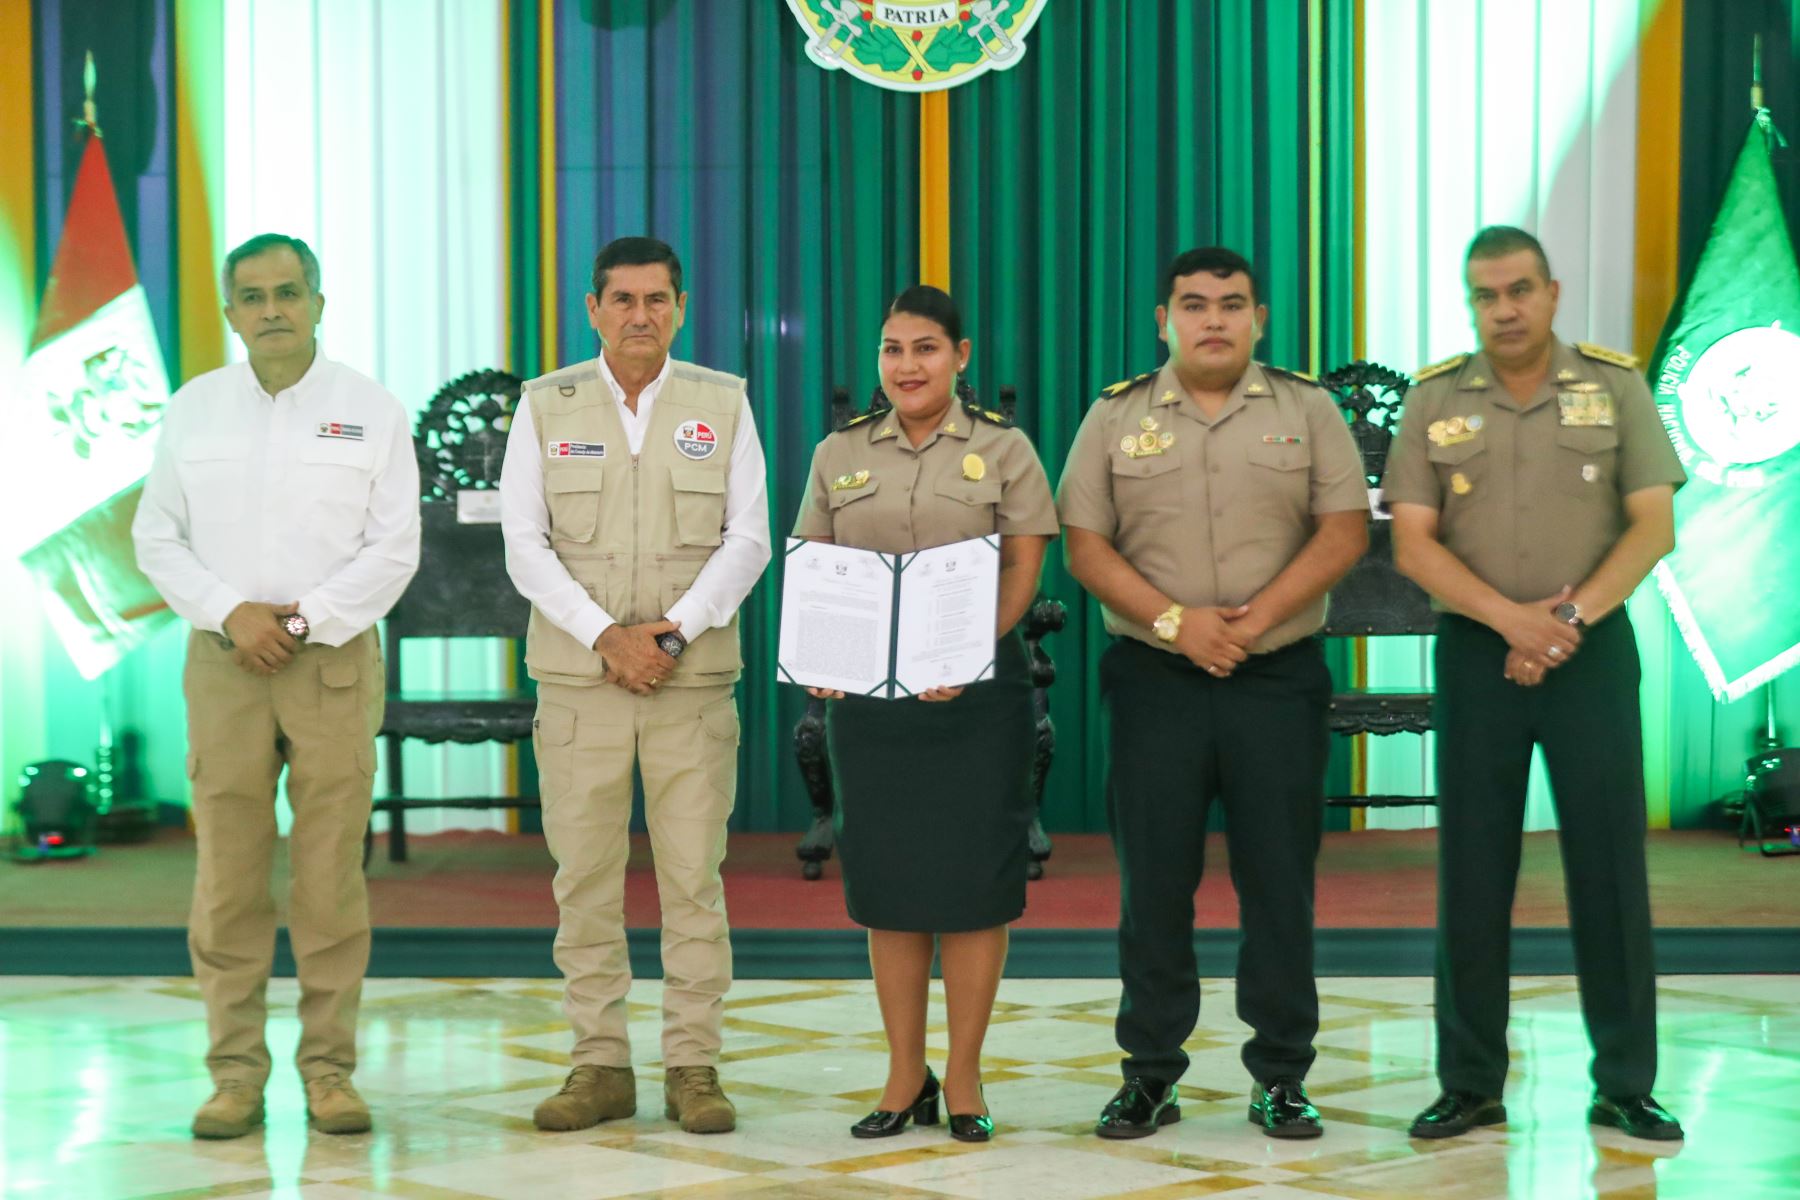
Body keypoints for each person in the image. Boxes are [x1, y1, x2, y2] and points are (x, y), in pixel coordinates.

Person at [1057, 247, 1369, 1140]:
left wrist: (1249, 622)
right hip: (1156, 680)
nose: (1214, 320)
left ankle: (1282, 1076)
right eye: (1194, 305)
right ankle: (1150, 1074)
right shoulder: (1115, 415)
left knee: (1279, 883)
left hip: (1277, 678)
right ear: (1164, 320)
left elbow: (1345, 531)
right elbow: (1085, 545)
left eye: (1232, 304)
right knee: (1155, 886)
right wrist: (1176, 625)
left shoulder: (1307, 409)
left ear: (1259, 318)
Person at [1384, 225, 1685, 1142]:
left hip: (1590, 652)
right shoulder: (1435, 397)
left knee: (1608, 868)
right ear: (1470, 304)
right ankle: (1469, 1082)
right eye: (1486, 295)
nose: (1504, 310)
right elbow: (1413, 544)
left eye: (1520, 290)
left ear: (1552, 292)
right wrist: (1513, 623)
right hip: (1479, 653)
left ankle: (1625, 1082)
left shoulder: (1616, 386)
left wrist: (1562, 624)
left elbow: (1653, 527)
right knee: (1473, 870)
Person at [133, 233, 421, 1139]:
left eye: (288, 292)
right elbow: (156, 537)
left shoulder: (371, 410)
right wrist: (233, 614)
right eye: (252, 297)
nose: (271, 310)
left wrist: (300, 622)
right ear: (231, 313)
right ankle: (234, 1077)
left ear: (318, 303)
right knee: (228, 877)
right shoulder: (194, 409)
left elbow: (395, 549)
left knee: (329, 878)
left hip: (329, 662)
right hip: (226, 662)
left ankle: (329, 1074)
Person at [500, 236, 771, 1135]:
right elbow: (523, 544)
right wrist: (607, 638)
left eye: (657, 299)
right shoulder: (545, 404)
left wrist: (672, 633)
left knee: (694, 880)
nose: (640, 316)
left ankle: (693, 1066)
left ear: (680, 308)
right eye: (622, 299)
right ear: (593, 309)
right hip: (581, 684)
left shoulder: (722, 402)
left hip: (689, 684)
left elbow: (749, 538)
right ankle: (599, 1066)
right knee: (585, 880)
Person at [792, 285, 1058, 1143]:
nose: (907, 366)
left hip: (978, 697)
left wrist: (963, 653)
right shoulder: (838, 452)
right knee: (890, 888)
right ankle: (906, 1075)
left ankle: (967, 1078)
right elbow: (819, 564)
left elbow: (1023, 569)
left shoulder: (1004, 448)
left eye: (925, 348)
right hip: (872, 703)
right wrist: (824, 656)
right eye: (892, 349)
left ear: (960, 355)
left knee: (975, 889)